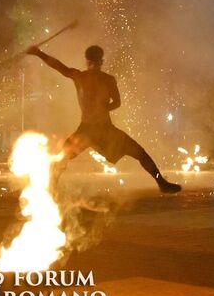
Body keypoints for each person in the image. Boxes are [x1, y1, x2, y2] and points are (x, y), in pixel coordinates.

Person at [26, 44, 181, 194]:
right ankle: (162, 183)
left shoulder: (79, 76)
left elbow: (58, 66)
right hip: (102, 129)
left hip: (90, 130)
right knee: (140, 153)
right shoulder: (107, 79)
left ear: (87, 61)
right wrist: (106, 108)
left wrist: (38, 53)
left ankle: (51, 188)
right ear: (101, 62)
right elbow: (117, 103)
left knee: (62, 158)